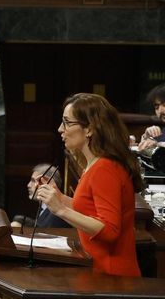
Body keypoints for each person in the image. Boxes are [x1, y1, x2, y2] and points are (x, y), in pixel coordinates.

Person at [36, 93, 144, 277]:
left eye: (67, 123)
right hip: (99, 272)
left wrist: (61, 210)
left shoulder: (105, 168)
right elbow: (90, 209)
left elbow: (109, 230)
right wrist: (60, 199)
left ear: (89, 129)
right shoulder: (97, 164)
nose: (60, 129)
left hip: (112, 278)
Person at [12, 163, 71, 229]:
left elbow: (47, 233)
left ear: (48, 183)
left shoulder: (56, 213)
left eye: (34, 181)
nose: (28, 185)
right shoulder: (44, 208)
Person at [135, 84, 165, 151]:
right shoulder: (162, 131)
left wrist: (157, 144)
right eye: (156, 107)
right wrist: (147, 137)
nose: (160, 111)